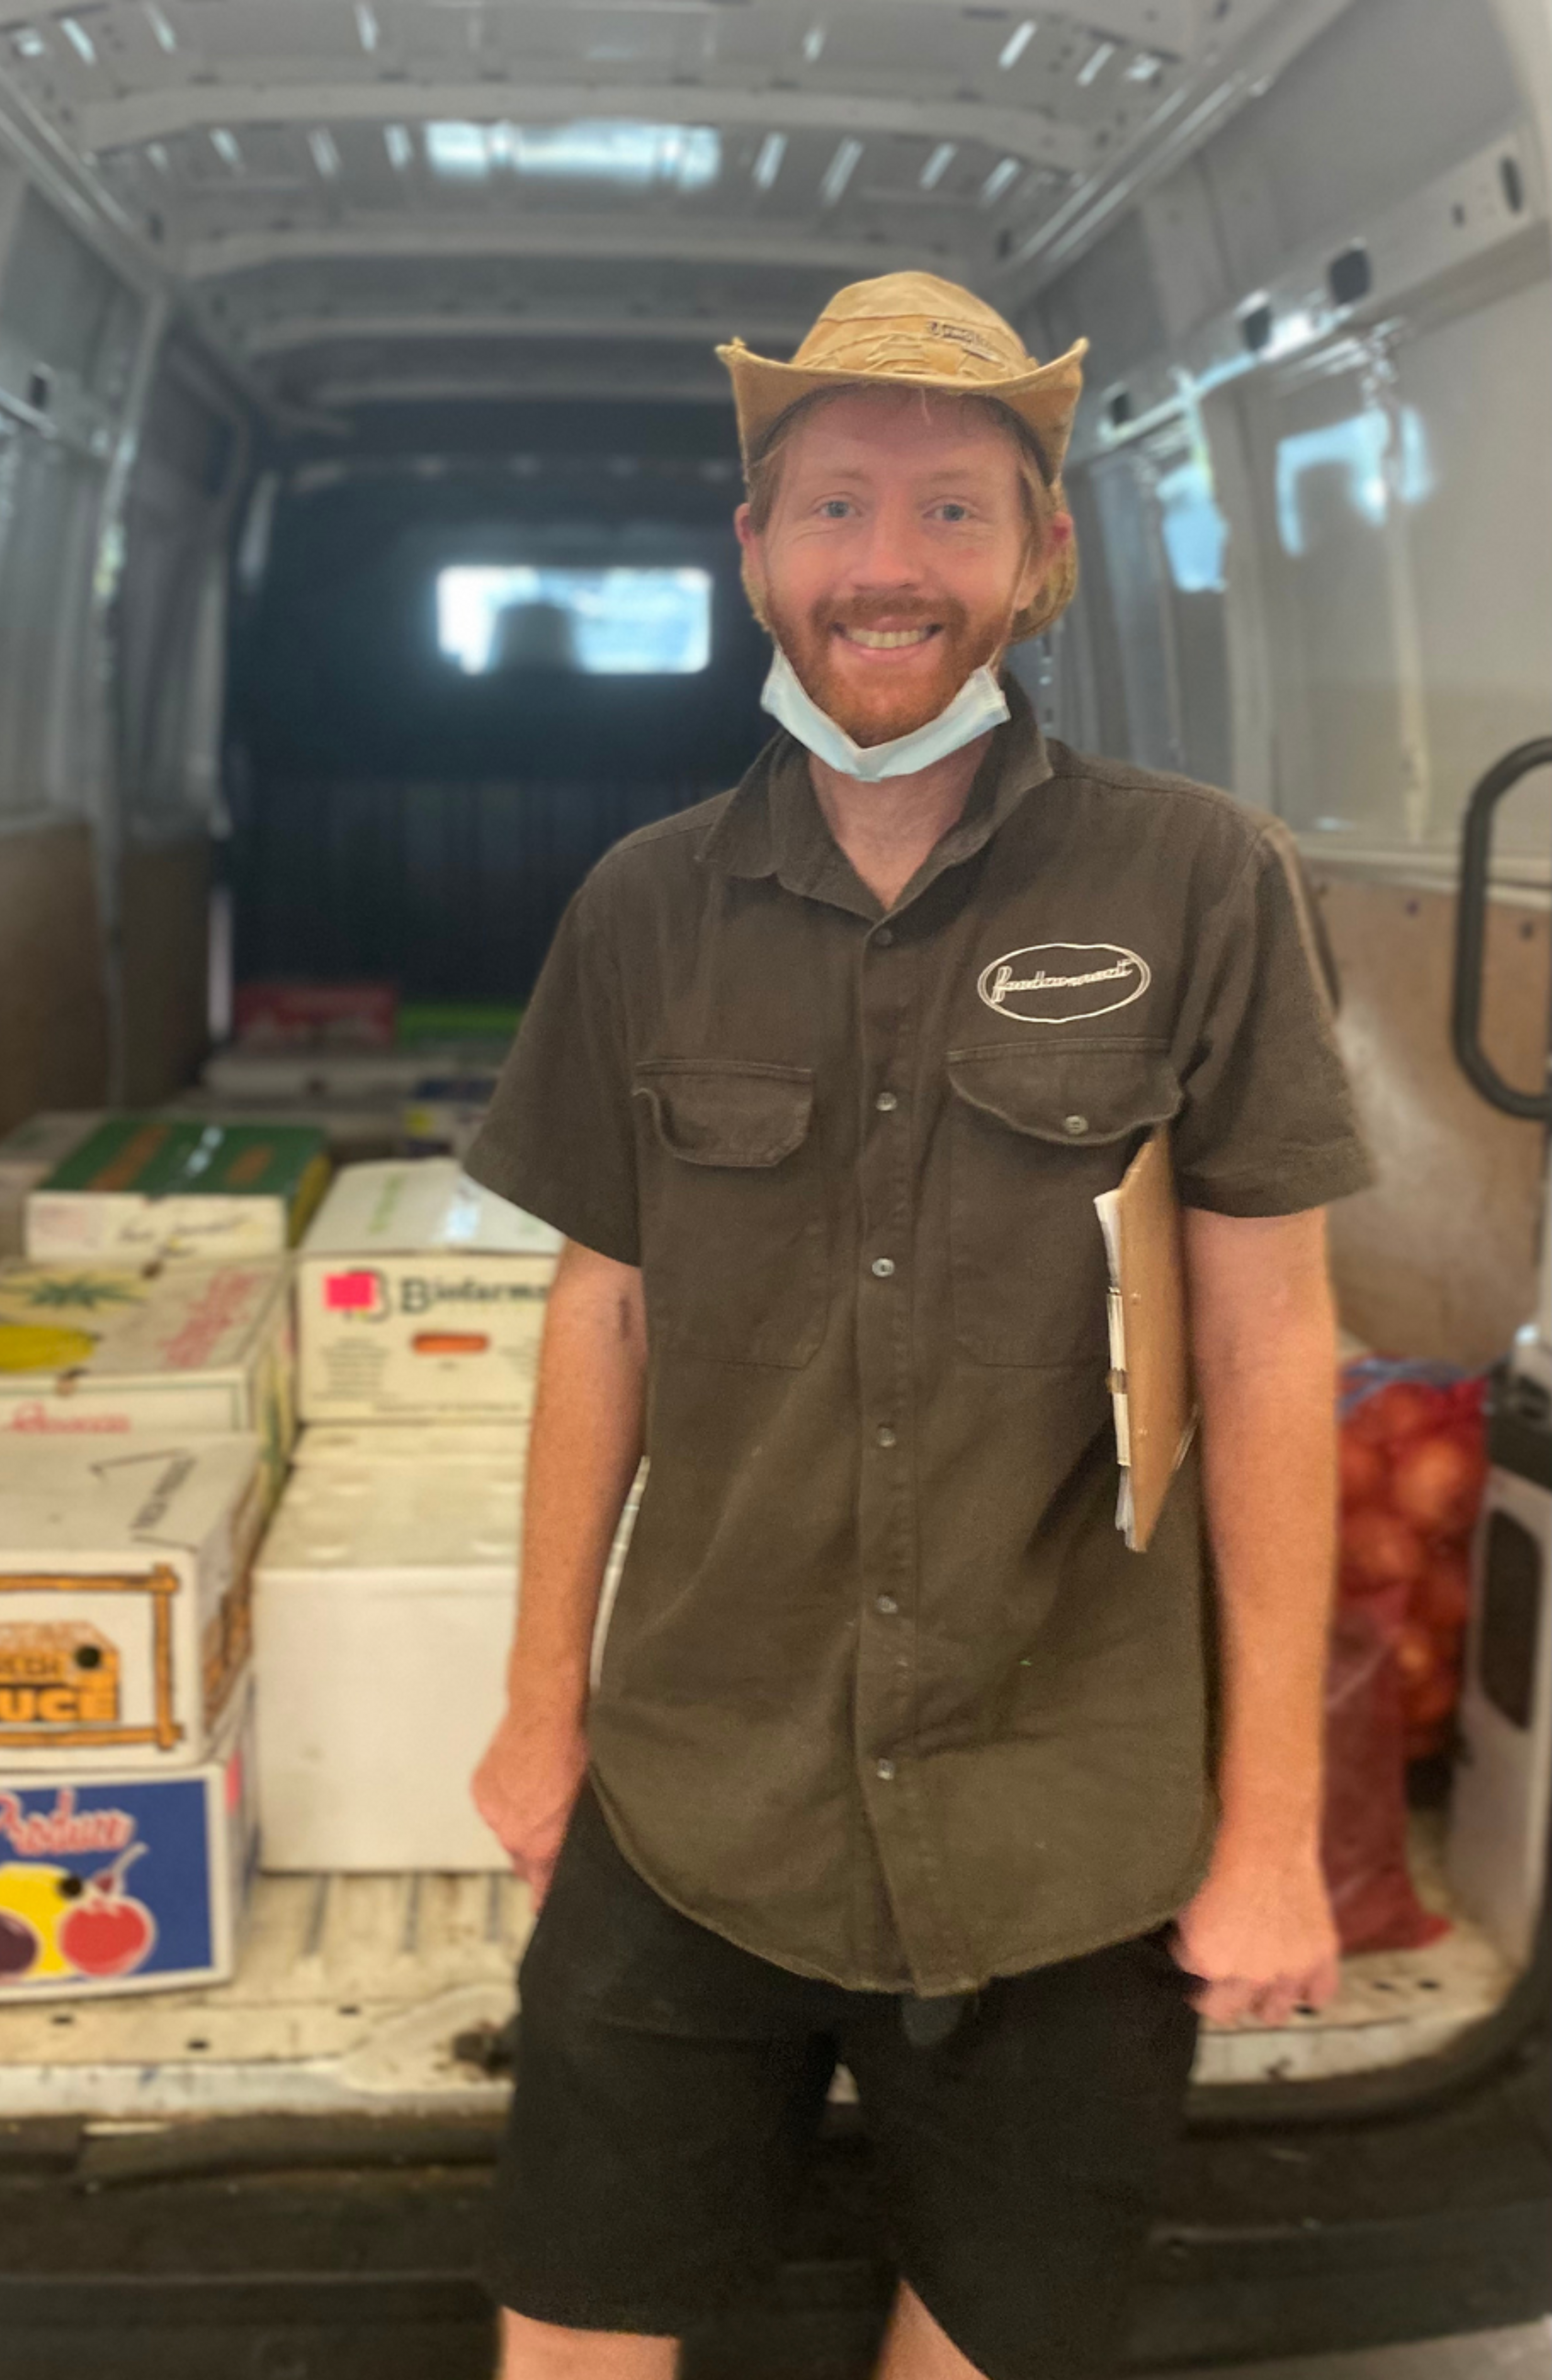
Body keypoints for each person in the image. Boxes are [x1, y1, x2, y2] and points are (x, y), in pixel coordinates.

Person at [462, 270, 1374, 2380]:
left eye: (957, 511)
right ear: (755, 555)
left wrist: (1269, 1834)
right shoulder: (642, 906)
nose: (891, 566)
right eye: (837, 507)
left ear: (1045, 560)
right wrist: (538, 1715)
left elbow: (1264, 1352)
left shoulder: (1202, 883)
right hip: (700, 1798)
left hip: (1066, 1825)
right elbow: (599, 1317)